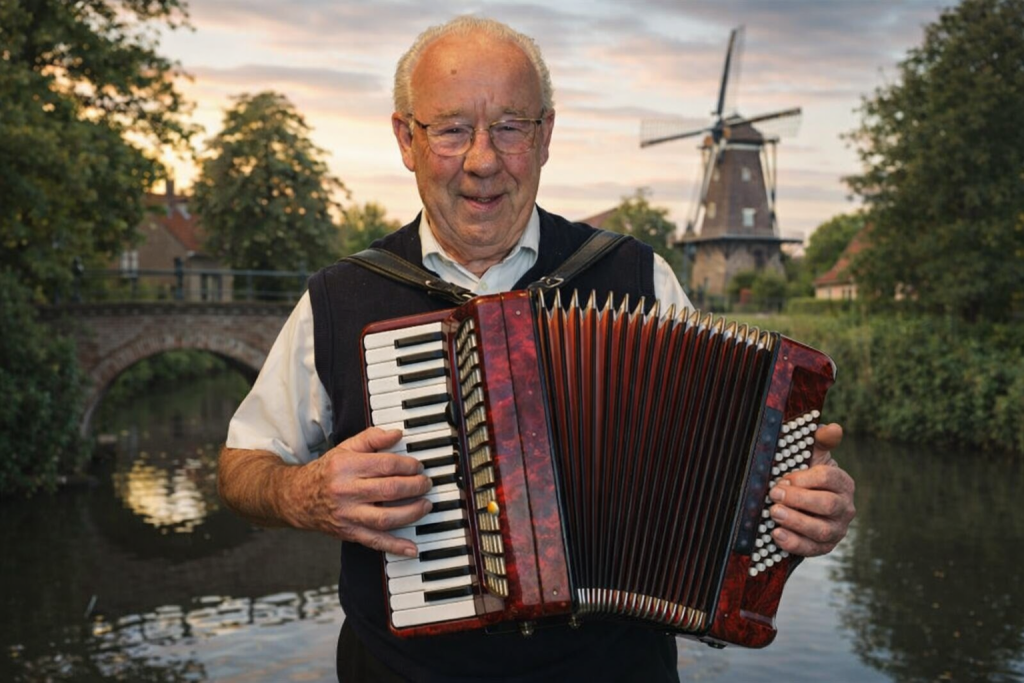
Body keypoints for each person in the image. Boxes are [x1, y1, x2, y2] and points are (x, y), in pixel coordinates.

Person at [219, 16, 856, 683]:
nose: (482, 160)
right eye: (451, 129)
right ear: (407, 139)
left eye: (510, 127)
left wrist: (803, 507)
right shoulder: (341, 297)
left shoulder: (638, 277)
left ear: (545, 136)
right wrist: (302, 493)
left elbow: (733, 475)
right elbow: (241, 465)